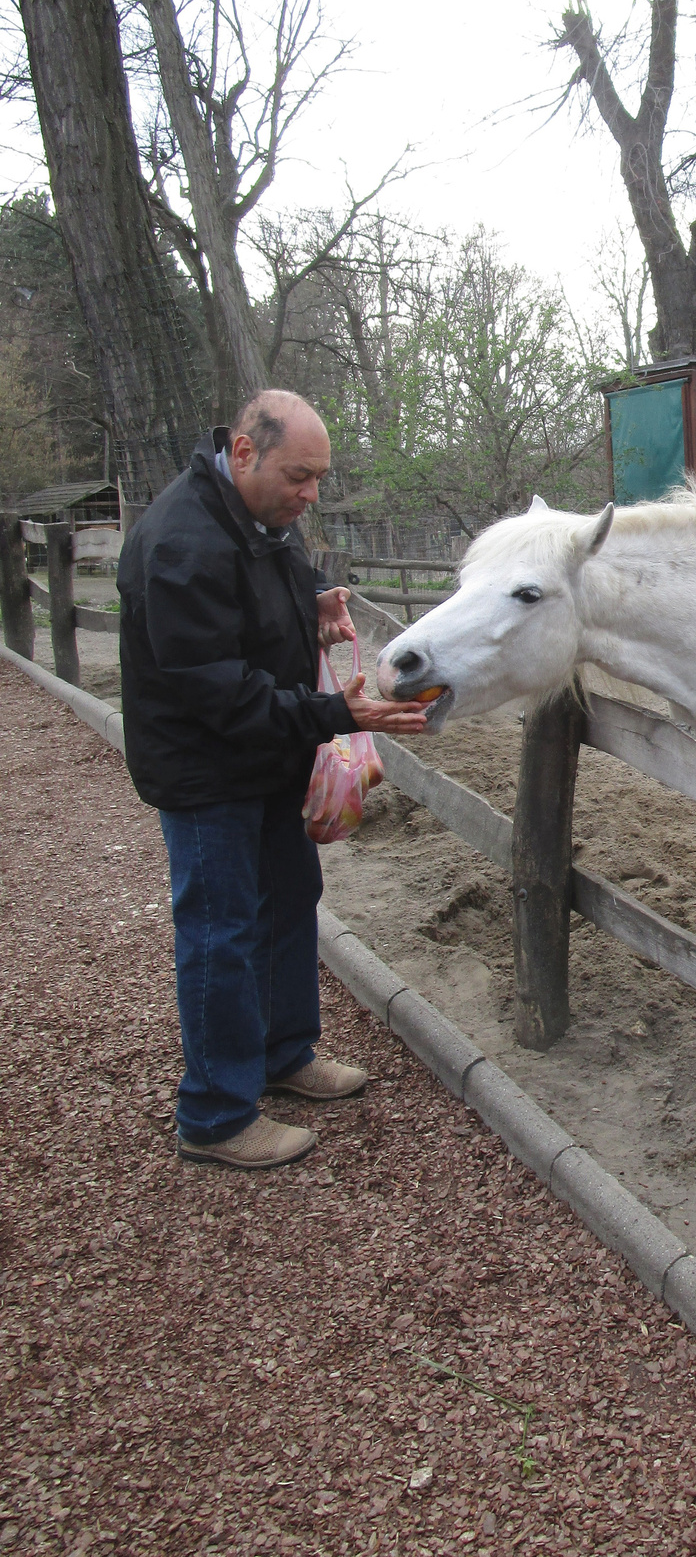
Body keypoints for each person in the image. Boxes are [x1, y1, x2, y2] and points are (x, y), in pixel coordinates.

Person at [118, 391, 430, 1170]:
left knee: (290, 904)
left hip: (264, 761)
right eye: (300, 476)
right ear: (245, 451)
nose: (311, 495)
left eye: (318, 478)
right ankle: (215, 1114)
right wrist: (336, 712)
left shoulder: (263, 522)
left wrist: (312, 608)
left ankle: (282, 1052)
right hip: (207, 770)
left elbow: (261, 600)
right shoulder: (182, 542)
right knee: (221, 933)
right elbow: (214, 687)